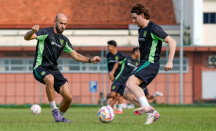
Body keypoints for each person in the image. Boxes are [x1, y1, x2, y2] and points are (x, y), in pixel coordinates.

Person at [24, 13, 101, 122]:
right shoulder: (45, 32)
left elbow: (75, 55)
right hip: (40, 67)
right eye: (61, 23)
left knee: (68, 97)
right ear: (55, 22)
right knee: (49, 78)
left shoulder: (64, 40)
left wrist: (90, 60)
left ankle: (59, 117)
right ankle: (54, 110)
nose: (63, 26)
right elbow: (26, 38)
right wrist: (32, 31)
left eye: (65, 24)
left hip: (54, 69)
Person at [124, 3, 176, 124]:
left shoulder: (154, 28)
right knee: (127, 93)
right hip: (143, 63)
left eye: (135, 17)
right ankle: (152, 113)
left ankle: (147, 107)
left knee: (131, 83)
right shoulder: (141, 29)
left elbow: (172, 42)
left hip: (150, 63)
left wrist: (170, 61)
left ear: (142, 15)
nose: (133, 20)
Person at [108, 47, 140, 114]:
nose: (141, 54)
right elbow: (117, 63)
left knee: (119, 95)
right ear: (136, 52)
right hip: (119, 79)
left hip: (126, 82)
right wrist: (112, 71)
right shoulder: (126, 58)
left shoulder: (138, 63)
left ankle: (118, 109)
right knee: (113, 95)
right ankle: (106, 100)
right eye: (140, 52)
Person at [101, 40, 126, 111]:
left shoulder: (121, 55)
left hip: (122, 76)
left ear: (113, 46)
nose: (107, 47)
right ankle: (105, 99)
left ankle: (120, 109)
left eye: (108, 46)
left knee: (119, 93)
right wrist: (110, 74)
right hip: (114, 76)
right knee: (113, 94)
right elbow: (109, 66)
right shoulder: (108, 55)